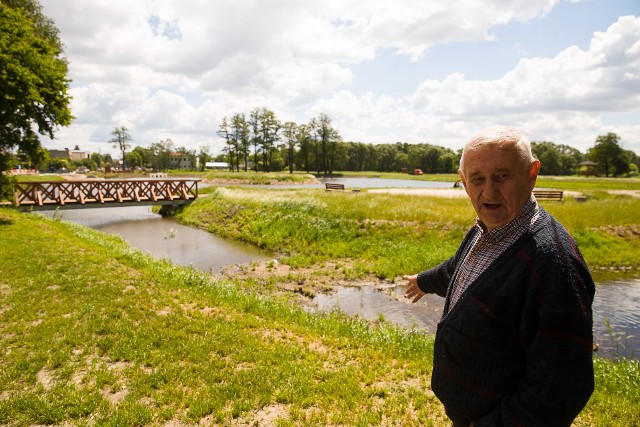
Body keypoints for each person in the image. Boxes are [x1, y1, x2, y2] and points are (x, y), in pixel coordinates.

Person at [404, 126, 595, 426]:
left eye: (502, 176)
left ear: (532, 173)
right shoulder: (484, 229)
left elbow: (561, 388)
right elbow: (459, 268)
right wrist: (423, 281)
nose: (489, 192)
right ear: (464, 181)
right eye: (477, 179)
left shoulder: (553, 263)